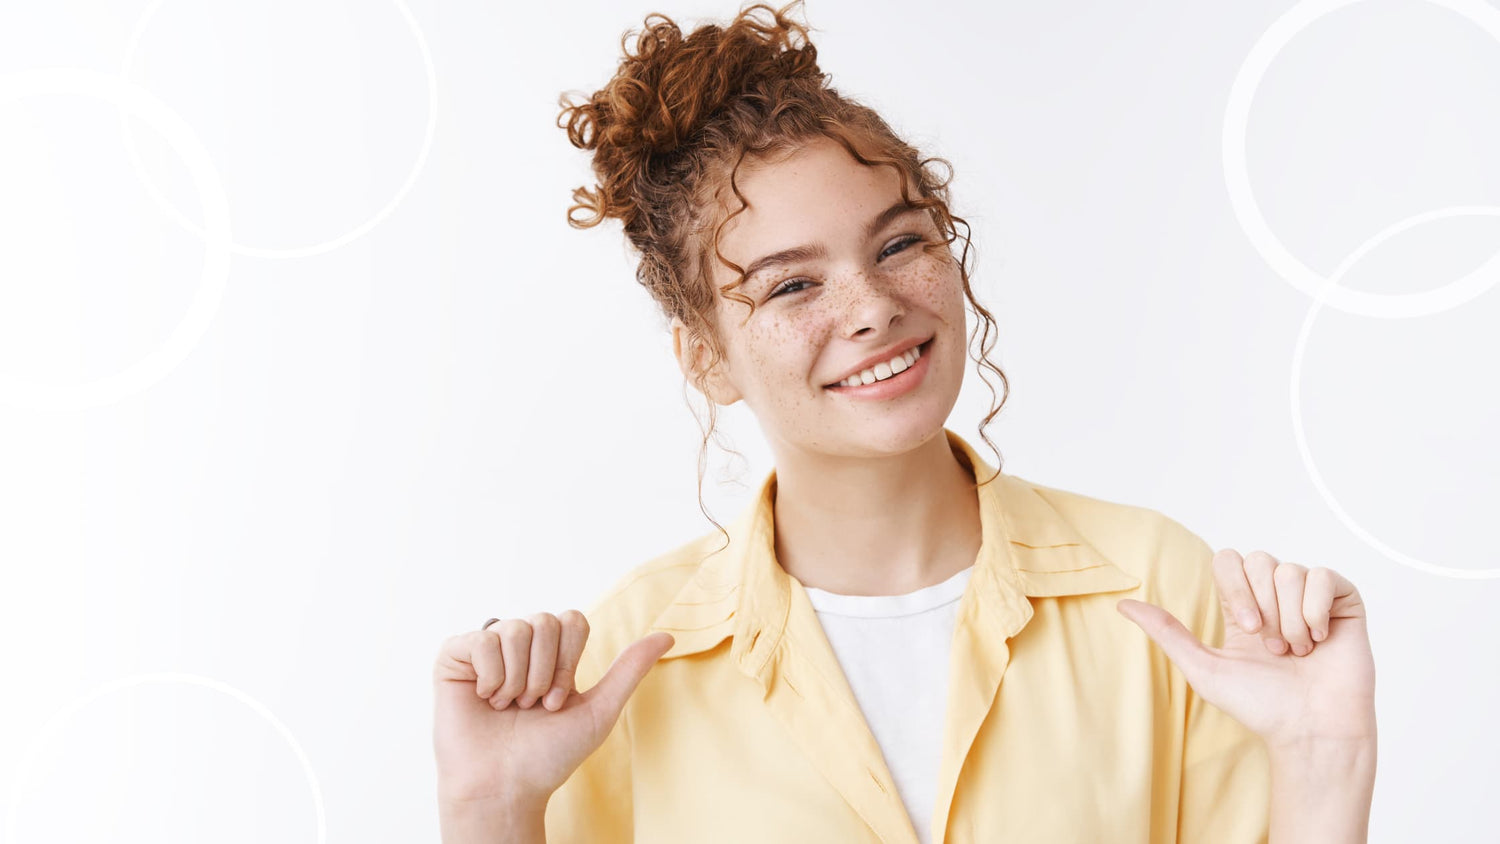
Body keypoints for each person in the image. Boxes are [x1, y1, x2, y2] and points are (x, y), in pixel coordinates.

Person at [431, 3, 1378, 842]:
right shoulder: (625, 660)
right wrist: (490, 813)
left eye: (899, 244)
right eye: (793, 284)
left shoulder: (1165, 590)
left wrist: (1323, 765)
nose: (875, 306)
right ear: (706, 357)